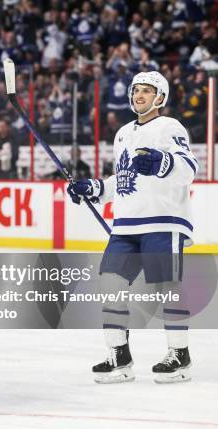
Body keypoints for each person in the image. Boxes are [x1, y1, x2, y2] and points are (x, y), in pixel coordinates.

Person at [67, 71, 197, 384]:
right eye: (136, 90)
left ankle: (180, 355)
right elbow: (123, 179)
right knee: (109, 285)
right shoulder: (123, 133)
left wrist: (162, 162)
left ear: (160, 98)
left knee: (168, 288)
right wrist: (95, 188)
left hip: (163, 222)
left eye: (147, 91)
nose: (139, 95)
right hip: (125, 225)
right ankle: (119, 356)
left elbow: (189, 168)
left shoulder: (170, 127)